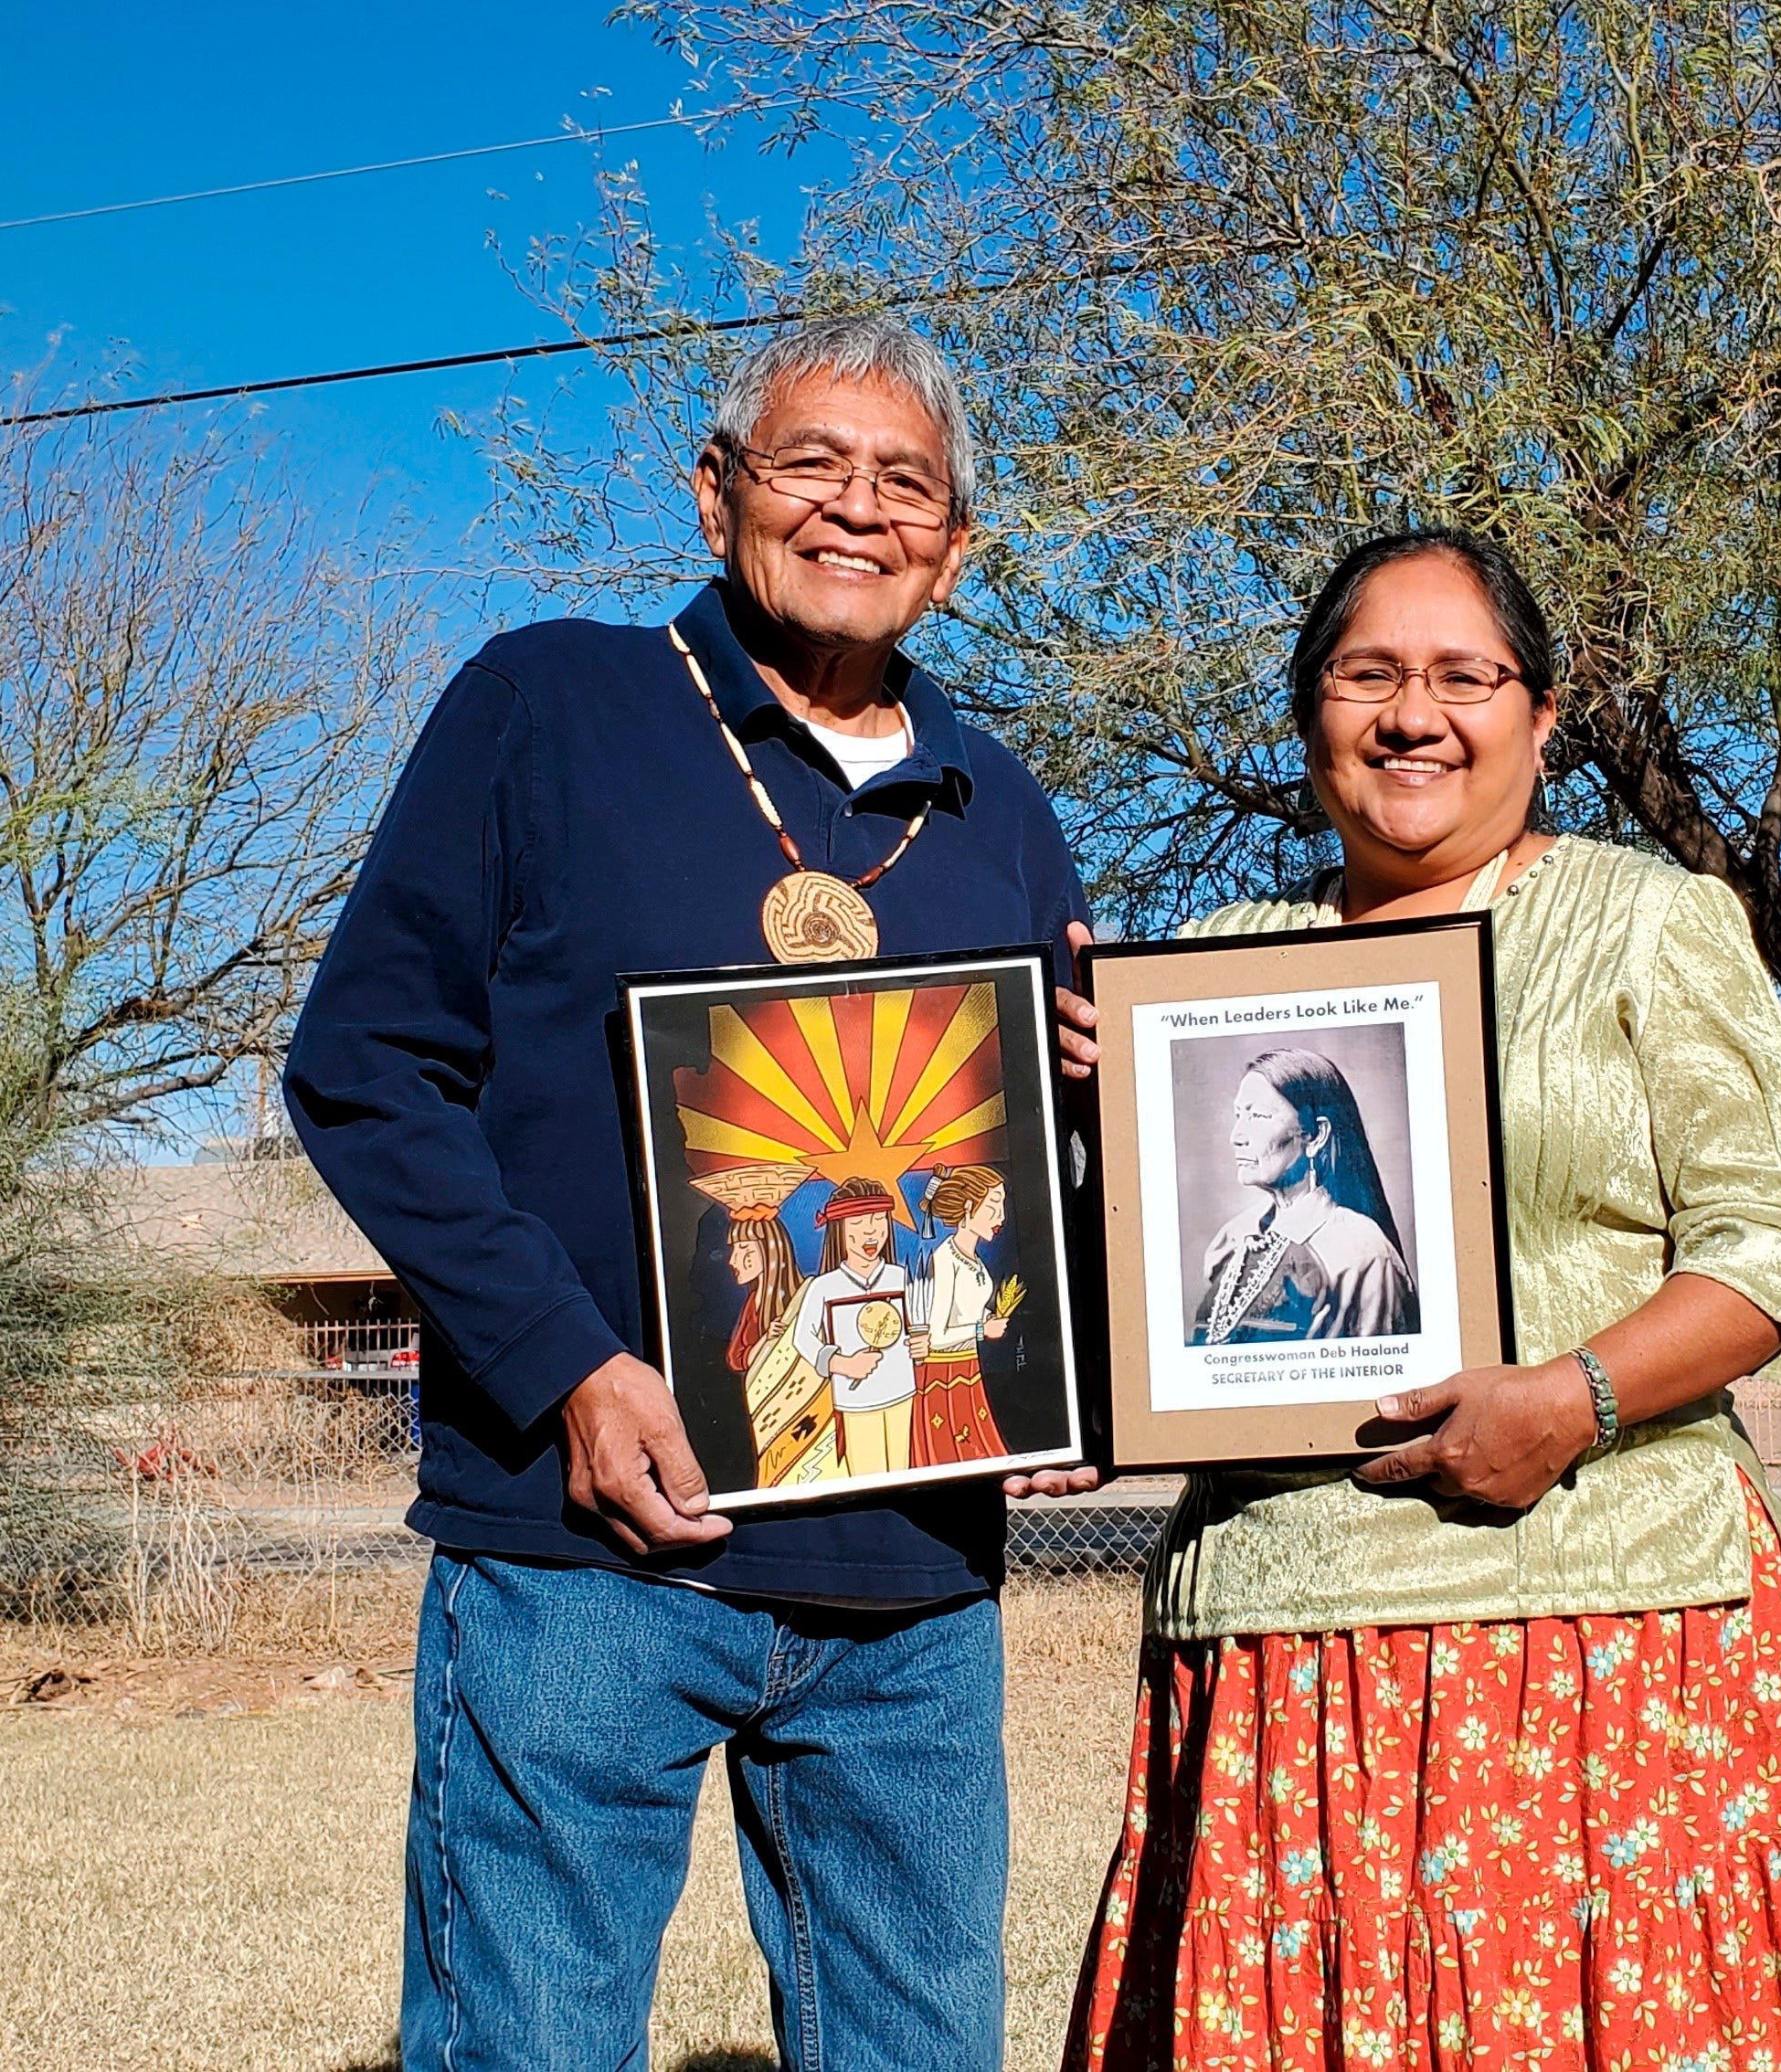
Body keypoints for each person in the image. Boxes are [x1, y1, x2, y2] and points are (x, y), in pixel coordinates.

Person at [285, 311, 1100, 2072]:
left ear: (958, 547)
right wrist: (570, 1369)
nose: (859, 512)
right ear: (717, 490)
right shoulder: (547, 707)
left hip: (915, 1588)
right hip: (587, 1552)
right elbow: (364, 1067)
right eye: (813, 465)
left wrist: (1081, 1319)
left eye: (909, 485)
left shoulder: (1008, 813)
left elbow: (1027, 1190)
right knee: (529, 2044)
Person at [1063, 526, 1781, 2072]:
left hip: (1595, 1610)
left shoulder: (1650, 920)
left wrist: (1573, 1399)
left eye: (1461, 676)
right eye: (1368, 674)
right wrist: (1074, 1114)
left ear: (1540, 714)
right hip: (1282, 1626)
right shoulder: (1220, 963)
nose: (1412, 713)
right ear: (1307, 712)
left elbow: (1775, 1242)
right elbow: (1140, 1305)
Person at [1186, 1048, 1417, 1345]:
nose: (1237, 1136)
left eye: (1257, 1116)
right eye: (1238, 1115)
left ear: (1315, 1136)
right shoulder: (1233, 1238)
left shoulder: (1364, 1254)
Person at [793, 1179, 917, 1478]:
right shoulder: (825, 1287)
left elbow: (919, 1325)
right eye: (858, 1223)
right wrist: (842, 1364)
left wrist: (921, 1346)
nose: (871, 1231)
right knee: (869, 1477)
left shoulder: (900, 1277)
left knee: (905, 1472)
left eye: (878, 1221)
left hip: (903, 1392)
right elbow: (803, 1338)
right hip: (857, 1402)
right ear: (840, 1230)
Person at [906, 1164, 1014, 1466]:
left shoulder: (974, 1260)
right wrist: (982, 1330)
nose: (1001, 1217)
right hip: (944, 1380)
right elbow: (937, 1336)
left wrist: (988, 1317)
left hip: (969, 1372)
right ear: (968, 1208)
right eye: (993, 1207)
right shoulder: (945, 1260)